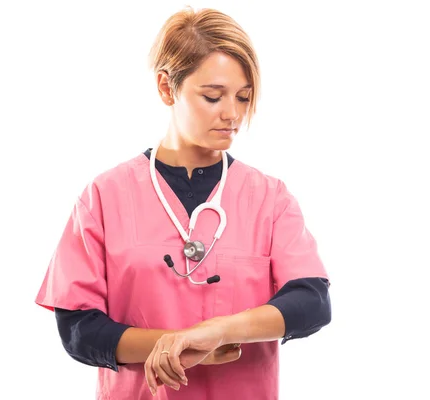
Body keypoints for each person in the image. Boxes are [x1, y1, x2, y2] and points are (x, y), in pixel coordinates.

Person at [35, 6, 331, 400]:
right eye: (213, 96)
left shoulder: (269, 198)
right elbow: (78, 329)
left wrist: (220, 331)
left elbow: (311, 301)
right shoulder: (104, 197)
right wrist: (182, 346)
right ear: (165, 87)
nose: (233, 114)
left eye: (243, 97)